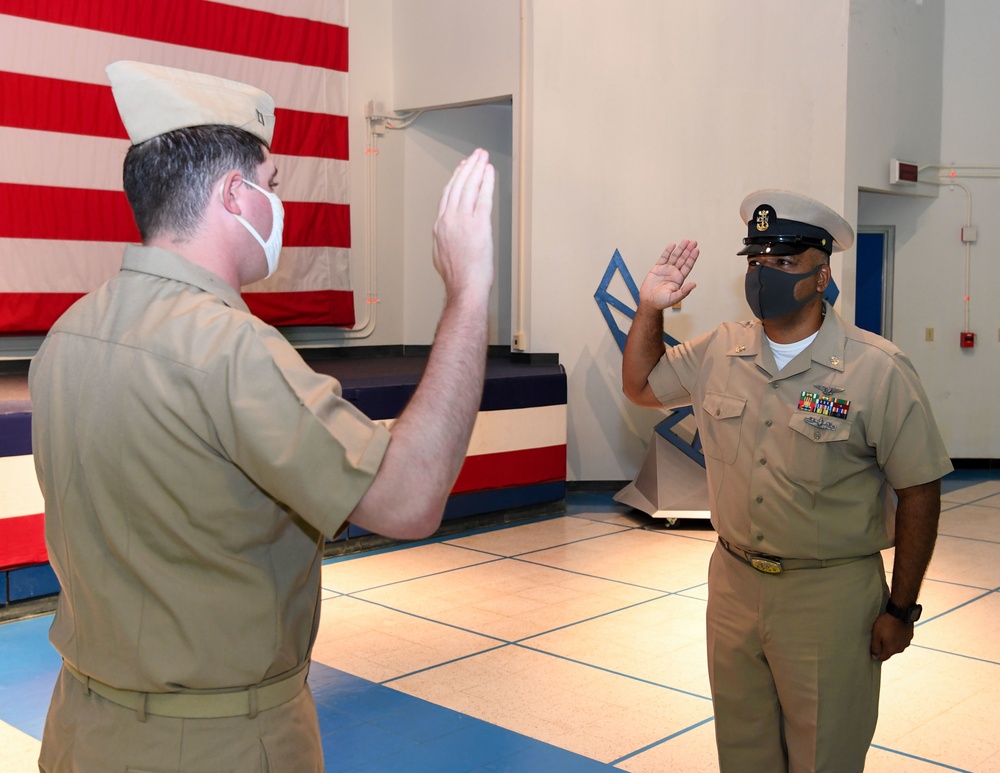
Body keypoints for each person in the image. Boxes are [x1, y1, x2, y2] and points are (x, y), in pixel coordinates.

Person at [29, 60, 495, 771]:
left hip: (81, 731)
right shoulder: (232, 348)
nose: (281, 204)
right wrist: (467, 294)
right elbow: (410, 496)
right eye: (272, 186)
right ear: (234, 194)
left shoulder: (68, 335)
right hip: (215, 743)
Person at [622, 190, 952, 772]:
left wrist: (900, 609)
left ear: (821, 275)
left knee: (824, 754)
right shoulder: (718, 351)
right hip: (733, 583)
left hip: (829, 596)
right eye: (755, 263)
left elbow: (919, 490)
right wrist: (651, 309)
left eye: (781, 263)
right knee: (743, 753)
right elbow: (641, 387)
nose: (762, 276)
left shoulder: (877, 369)